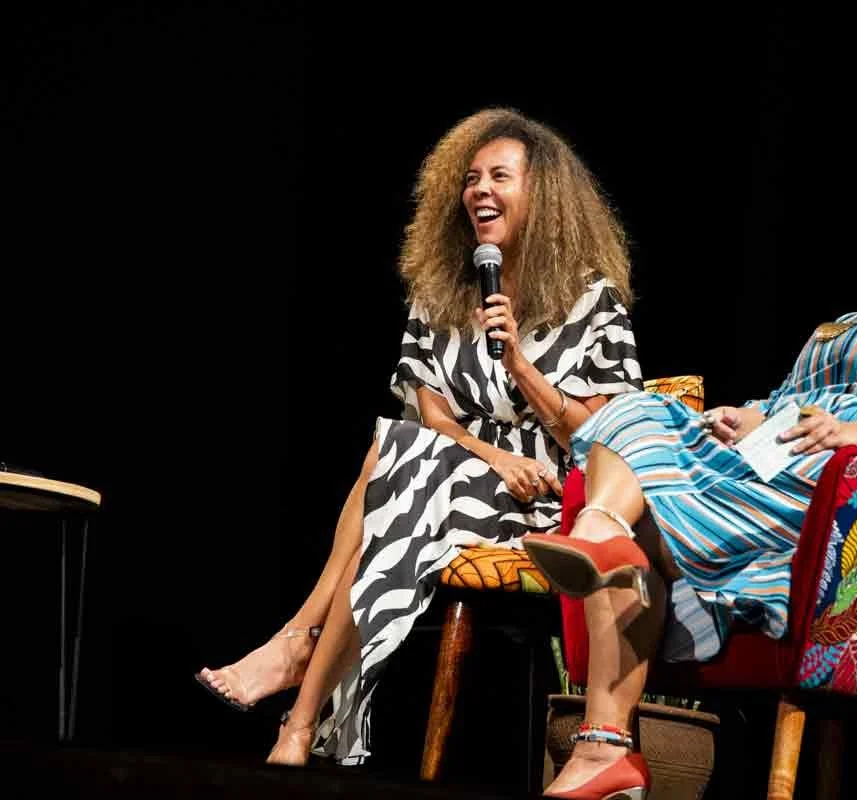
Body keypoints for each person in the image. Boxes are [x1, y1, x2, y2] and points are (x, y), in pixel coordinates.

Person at [523, 170, 857, 798]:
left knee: (643, 502)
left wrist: (852, 434)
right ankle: (603, 740)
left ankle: (607, 574)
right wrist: (750, 418)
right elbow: (791, 409)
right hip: (789, 470)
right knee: (633, 414)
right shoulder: (851, 323)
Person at [196, 108, 642, 766]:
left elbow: (601, 435)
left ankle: (299, 673)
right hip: (454, 470)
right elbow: (432, 414)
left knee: (393, 458)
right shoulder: (443, 294)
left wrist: (519, 364)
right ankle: (296, 717)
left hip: (549, 492)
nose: (480, 190)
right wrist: (492, 454)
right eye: (470, 178)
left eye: (499, 176)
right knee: (401, 448)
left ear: (543, 195)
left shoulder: (593, 301)